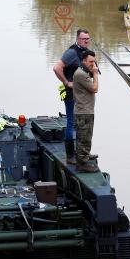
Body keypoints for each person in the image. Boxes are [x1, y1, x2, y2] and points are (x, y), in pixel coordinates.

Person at [53, 28, 91, 163]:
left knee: (82, 123)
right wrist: (66, 82)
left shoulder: (84, 53)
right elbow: (57, 67)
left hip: (83, 95)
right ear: (77, 39)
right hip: (71, 93)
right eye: (83, 39)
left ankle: (81, 152)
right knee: (71, 123)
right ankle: (70, 156)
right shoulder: (72, 52)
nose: (86, 41)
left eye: (88, 39)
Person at [72, 49, 99, 172]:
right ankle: (82, 164)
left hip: (86, 110)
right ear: (83, 60)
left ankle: (85, 156)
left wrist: (92, 72)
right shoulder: (81, 74)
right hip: (83, 112)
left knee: (86, 136)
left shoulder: (83, 72)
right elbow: (94, 88)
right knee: (84, 137)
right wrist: (95, 75)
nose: (93, 64)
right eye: (90, 61)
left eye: (94, 61)